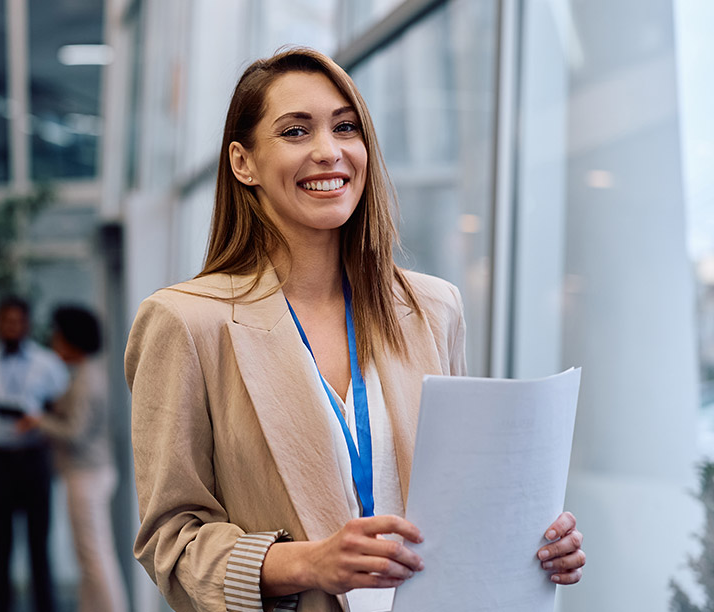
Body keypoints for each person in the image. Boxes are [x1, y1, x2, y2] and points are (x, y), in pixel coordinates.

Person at [124, 48, 586, 612]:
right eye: (295, 131)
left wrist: (531, 541)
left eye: (345, 127)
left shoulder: (432, 308)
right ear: (243, 163)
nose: (328, 151)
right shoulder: (186, 322)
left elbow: (461, 496)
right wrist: (306, 564)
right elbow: (170, 541)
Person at [18, 306, 129, 612]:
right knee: (89, 557)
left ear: (71, 339)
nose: (53, 341)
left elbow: (75, 433)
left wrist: (38, 422)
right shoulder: (85, 373)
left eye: (58, 334)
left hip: (87, 474)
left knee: (94, 557)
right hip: (87, 472)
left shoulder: (87, 379)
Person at [0, 295, 68, 612]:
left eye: (18, 321)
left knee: (40, 546)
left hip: (34, 458)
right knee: (0, 545)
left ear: (27, 324)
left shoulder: (48, 363)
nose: (12, 326)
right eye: (6, 320)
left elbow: (62, 410)